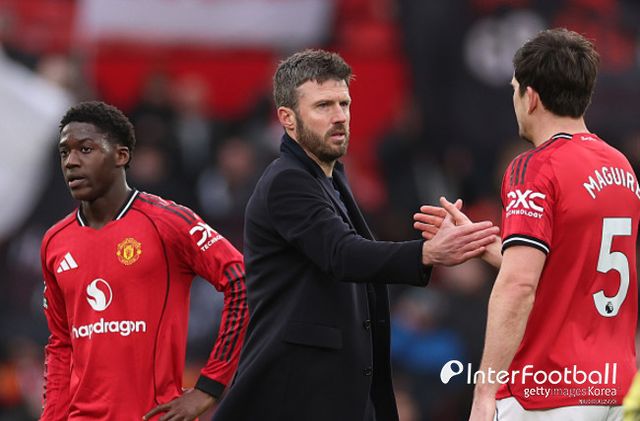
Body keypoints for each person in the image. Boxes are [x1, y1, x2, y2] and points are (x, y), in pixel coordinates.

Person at [212, 49, 499, 421]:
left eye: (343, 103)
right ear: (287, 118)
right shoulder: (288, 181)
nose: (339, 116)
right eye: (323, 106)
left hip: (335, 388)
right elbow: (343, 254)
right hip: (298, 393)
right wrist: (426, 253)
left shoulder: (330, 175)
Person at [414, 28, 640, 420]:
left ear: (530, 96)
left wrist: (485, 391)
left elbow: (519, 285)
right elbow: (573, 273)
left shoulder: (535, 168)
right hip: (614, 388)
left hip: (549, 389)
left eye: (515, 90)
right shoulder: (621, 167)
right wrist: (488, 246)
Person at [40, 101, 248, 420]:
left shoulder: (168, 222)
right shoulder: (55, 241)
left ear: (121, 156)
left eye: (85, 149)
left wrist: (210, 387)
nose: (71, 161)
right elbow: (61, 343)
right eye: (64, 152)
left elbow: (240, 282)